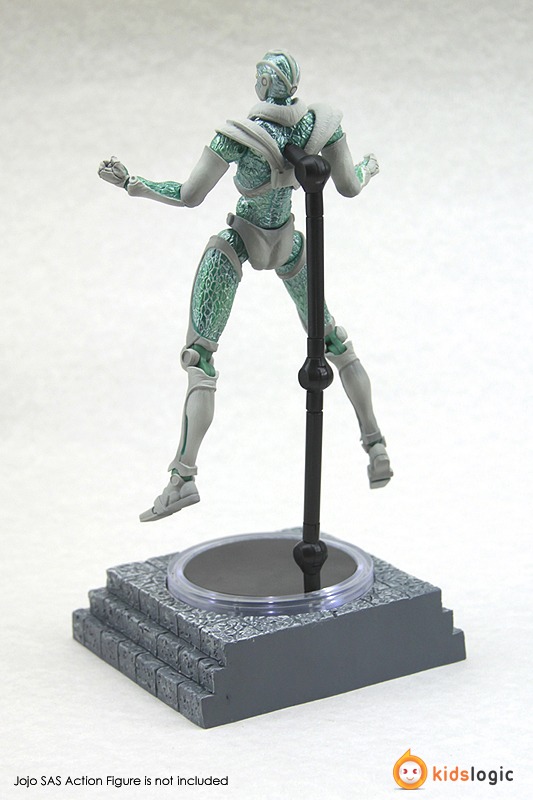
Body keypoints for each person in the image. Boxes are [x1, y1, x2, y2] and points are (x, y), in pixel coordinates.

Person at [98, 49, 393, 523]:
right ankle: (376, 446)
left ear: (264, 84)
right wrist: (370, 168)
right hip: (289, 243)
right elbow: (349, 186)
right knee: (334, 340)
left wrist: (134, 183)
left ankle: (183, 478)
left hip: (241, 239)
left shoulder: (239, 136)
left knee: (199, 357)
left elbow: (189, 194)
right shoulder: (320, 127)